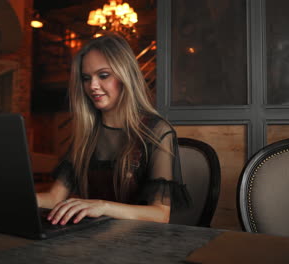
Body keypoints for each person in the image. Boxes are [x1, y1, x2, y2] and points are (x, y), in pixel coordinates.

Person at [36, 33, 190, 225]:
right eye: (86, 78)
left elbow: (160, 214)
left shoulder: (156, 130)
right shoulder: (86, 134)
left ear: (125, 76)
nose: (92, 86)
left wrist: (103, 206)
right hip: (91, 239)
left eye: (103, 75)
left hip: (138, 242)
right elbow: (54, 198)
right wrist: (14, 198)